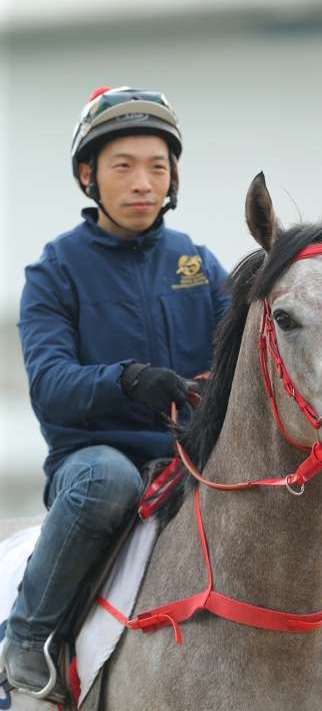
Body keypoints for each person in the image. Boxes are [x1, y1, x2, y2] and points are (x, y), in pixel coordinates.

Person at [1, 86, 230, 702]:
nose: (142, 184)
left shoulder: (202, 267)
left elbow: (245, 359)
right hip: (93, 466)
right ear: (88, 175)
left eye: (157, 167)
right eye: (123, 167)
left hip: (189, 461)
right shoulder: (53, 272)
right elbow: (49, 385)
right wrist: (131, 379)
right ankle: (28, 636)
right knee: (110, 479)